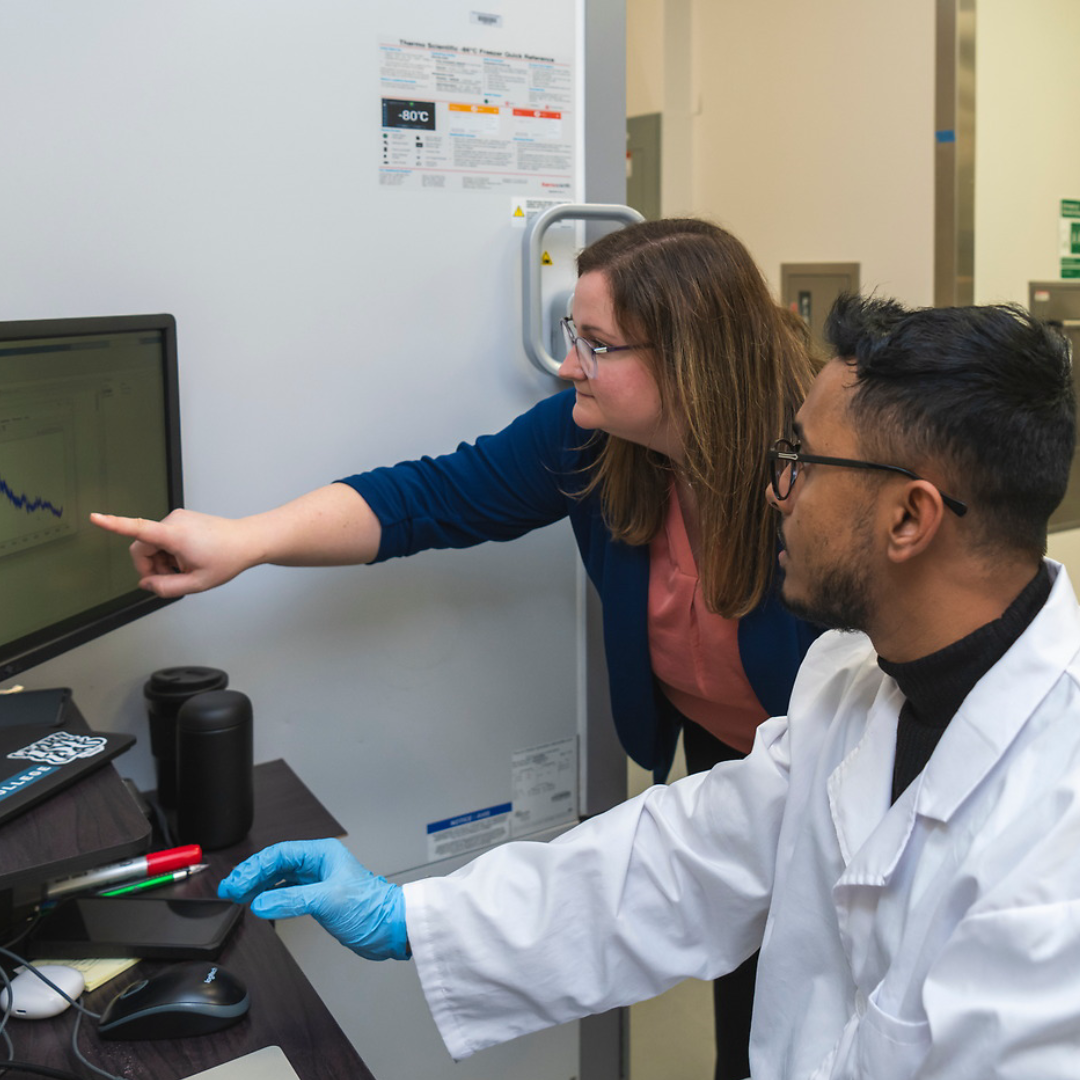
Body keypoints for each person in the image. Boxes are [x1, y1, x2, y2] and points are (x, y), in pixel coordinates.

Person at [219, 295, 1080, 1079]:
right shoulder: (852, 687)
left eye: (802, 463)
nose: (778, 493)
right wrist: (410, 916)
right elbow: (679, 860)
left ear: (909, 518)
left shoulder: (1055, 836)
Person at [93, 219, 821, 1080]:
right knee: (749, 1005)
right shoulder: (592, 441)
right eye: (571, 335)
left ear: (691, 360)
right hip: (726, 758)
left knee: (817, 998)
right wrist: (246, 542)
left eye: (596, 345)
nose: (566, 365)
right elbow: (428, 497)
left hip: (832, 761)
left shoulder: (814, 479)